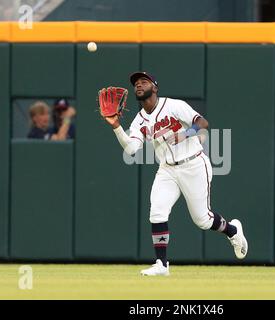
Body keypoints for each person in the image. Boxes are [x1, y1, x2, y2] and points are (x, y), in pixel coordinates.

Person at [102, 72, 248, 276]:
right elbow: (131, 149)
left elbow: (203, 122)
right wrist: (117, 127)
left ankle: (232, 230)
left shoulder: (173, 105)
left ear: (155, 87)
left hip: (194, 164)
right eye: (136, 83)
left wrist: (186, 133)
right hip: (167, 169)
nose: (139, 85)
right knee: (157, 212)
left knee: (203, 220)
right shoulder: (139, 121)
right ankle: (162, 265)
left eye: (144, 82)